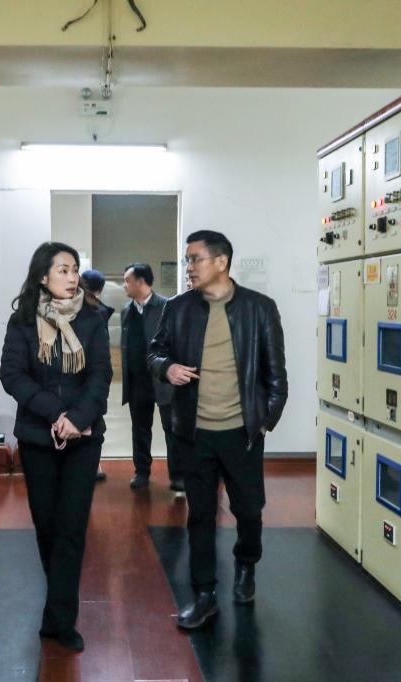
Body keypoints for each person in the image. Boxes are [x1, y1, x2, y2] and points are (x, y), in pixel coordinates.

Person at [148, 230, 287, 629]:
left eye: (195, 259)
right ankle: (204, 593)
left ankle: (246, 563)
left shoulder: (259, 308)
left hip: (242, 433)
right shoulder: (178, 308)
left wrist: (264, 422)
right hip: (194, 433)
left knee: (248, 510)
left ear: (221, 262)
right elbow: (155, 350)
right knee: (201, 515)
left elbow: (276, 375)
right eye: (187, 260)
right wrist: (166, 367)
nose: (188, 267)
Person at [0, 243, 112, 651]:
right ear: (43, 276)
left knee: (71, 527)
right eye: (63, 270)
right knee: (47, 527)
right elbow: (12, 374)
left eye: (74, 269)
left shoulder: (93, 319)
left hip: (83, 438)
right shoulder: (22, 322)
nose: (72, 276)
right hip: (38, 436)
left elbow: (100, 375)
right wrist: (55, 414)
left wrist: (77, 419)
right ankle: (59, 596)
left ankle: (60, 620)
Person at [120, 263, 179, 492]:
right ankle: (142, 472)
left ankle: (178, 475)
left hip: (163, 381)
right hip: (137, 382)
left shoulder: (167, 306)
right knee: (140, 429)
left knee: (171, 429)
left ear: (141, 282)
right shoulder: (126, 311)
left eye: (127, 280)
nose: (124, 285)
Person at [79, 269, 113, 482]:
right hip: (92, 376)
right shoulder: (98, 311)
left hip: (81, 375)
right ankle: (92, 465)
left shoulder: (87, 310)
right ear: (99, 289)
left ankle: (89, 465)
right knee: (92, 418)